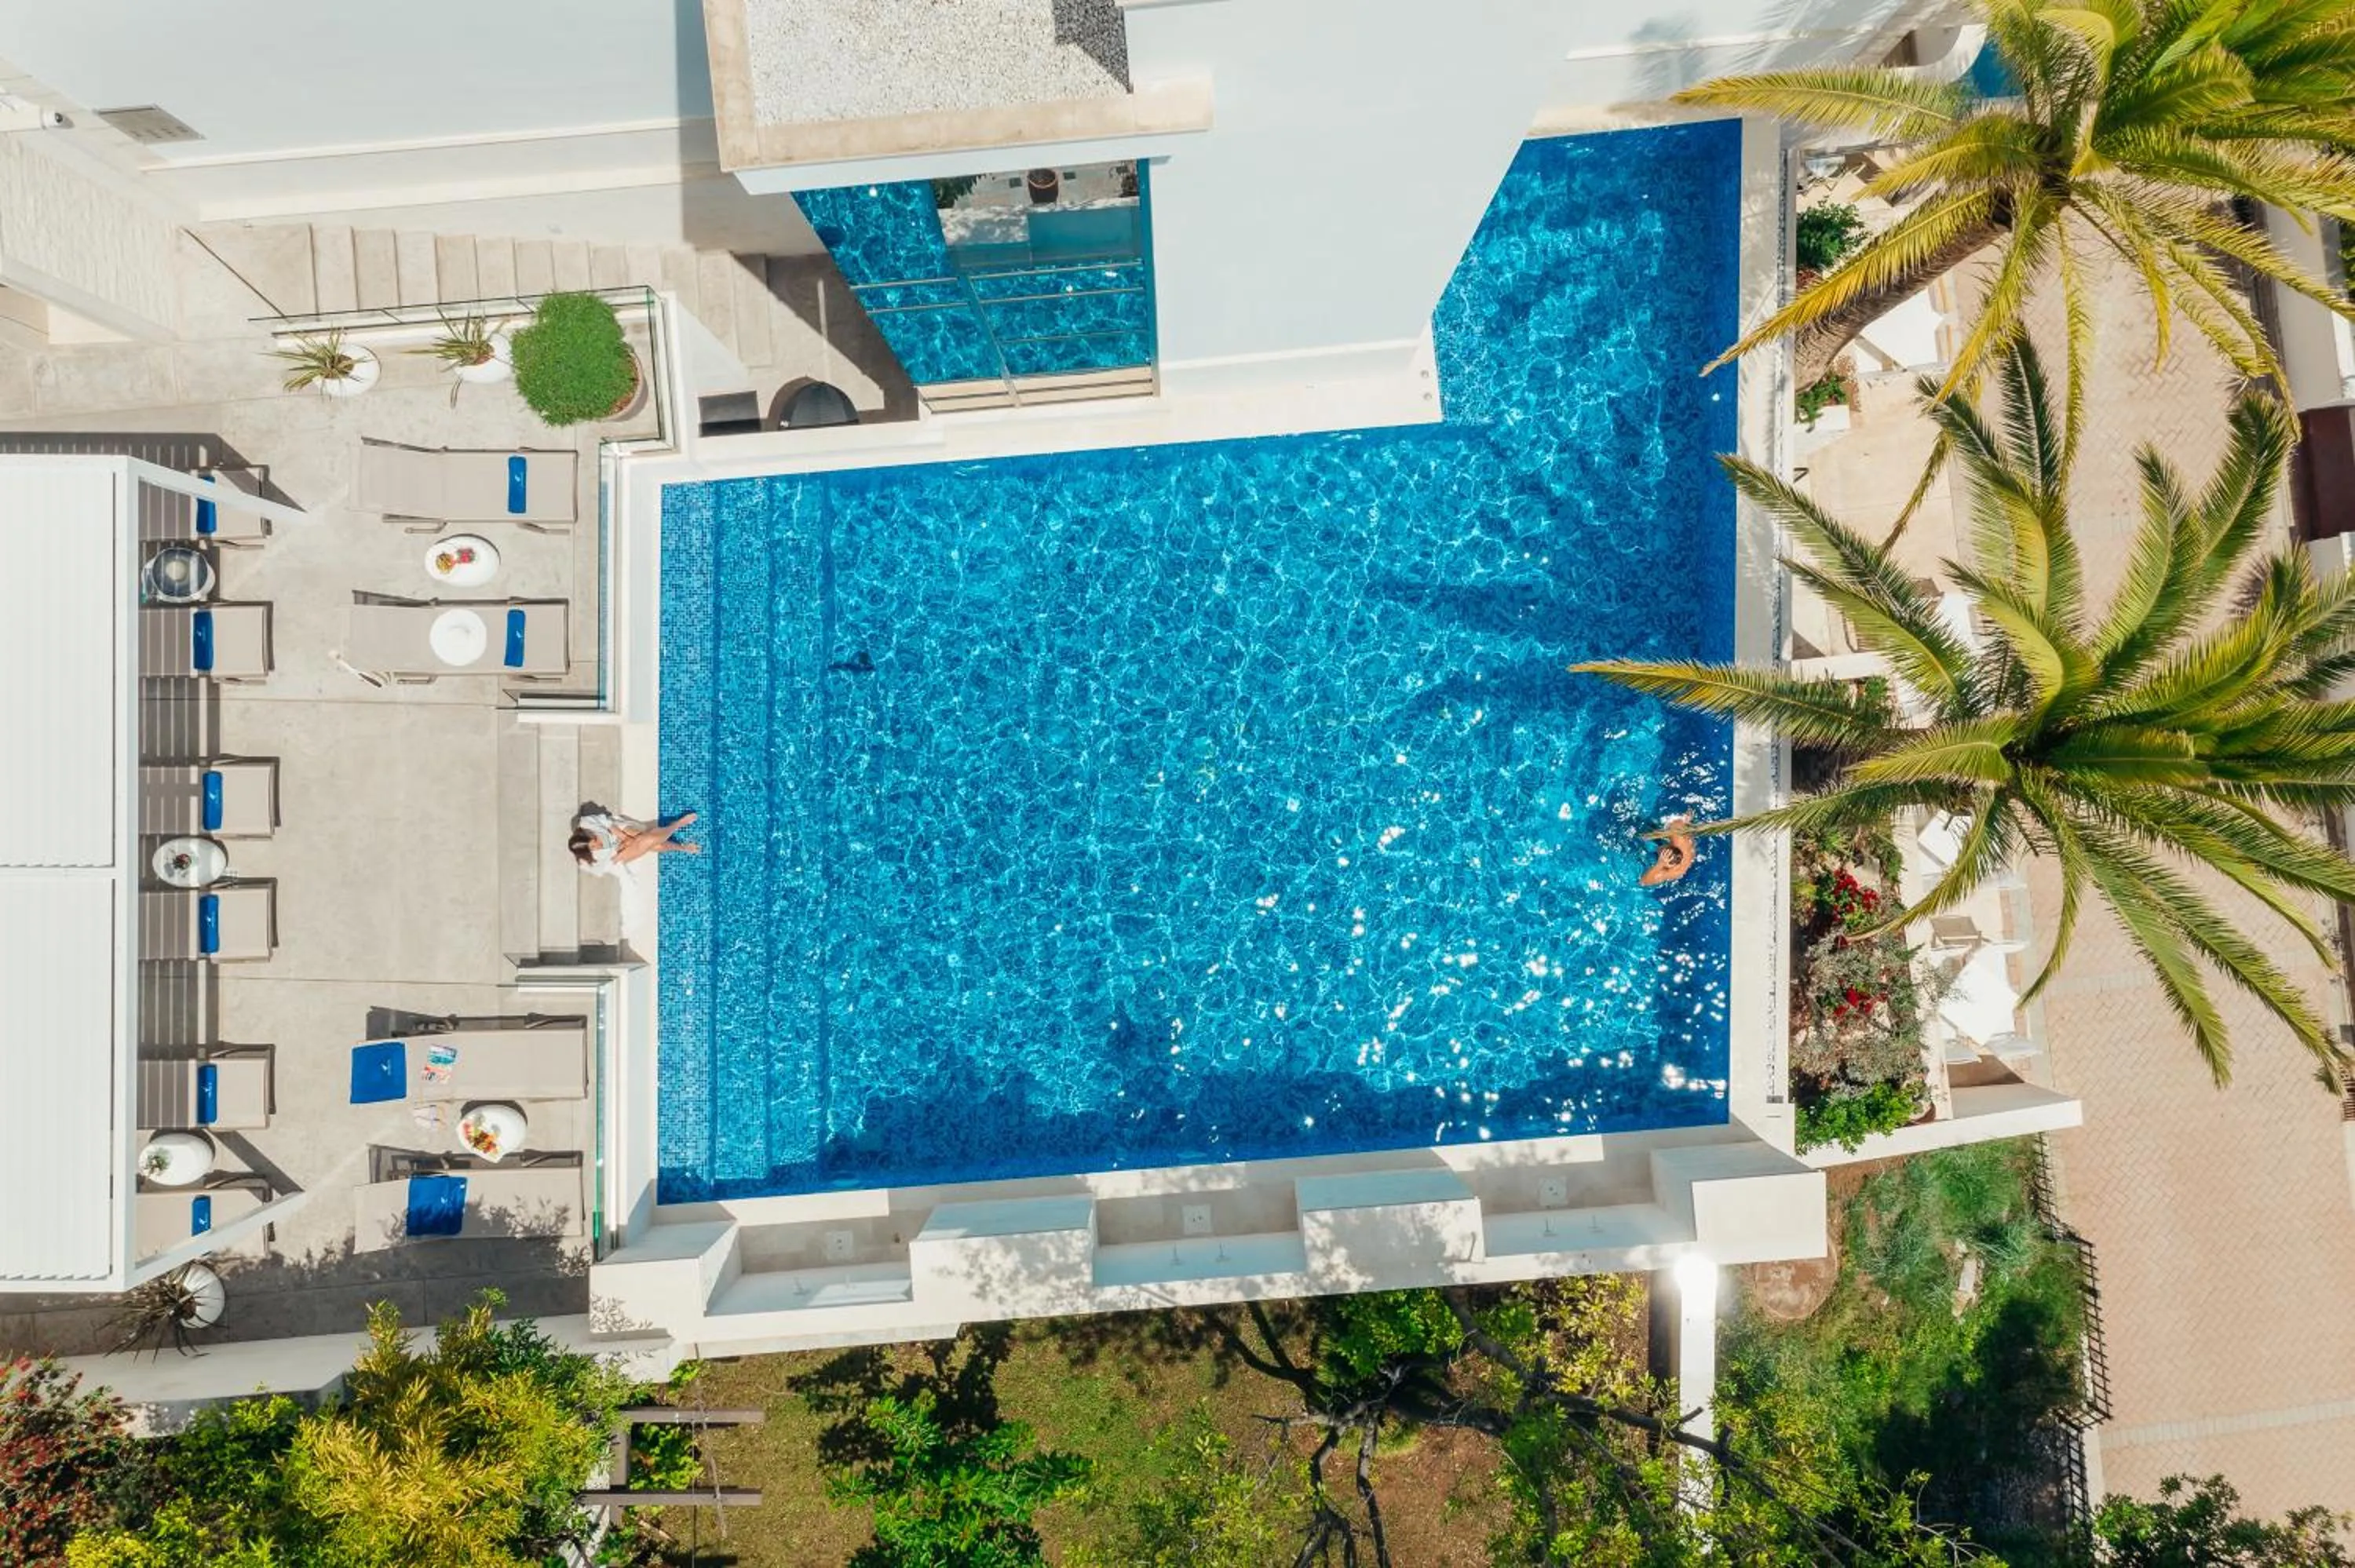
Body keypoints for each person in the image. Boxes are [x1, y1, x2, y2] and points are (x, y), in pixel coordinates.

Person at [571, 810, 699, 877]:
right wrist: (624, 846)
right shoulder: (591, 862)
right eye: (593, 848)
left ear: (587, 833)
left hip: (618, 831)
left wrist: (623, 836)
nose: (597, 845)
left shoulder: (586, 823)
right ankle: (677, 825)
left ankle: (683, 847)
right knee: (648, 840)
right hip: (620, 853)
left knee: (653, 844)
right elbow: (614, 860)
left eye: (594, 840)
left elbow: (608, 823)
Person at [1638, 814, 1697, 887]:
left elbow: (1643, 882)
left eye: (1661, 853)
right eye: (1663, 848)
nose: (1659, 849)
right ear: (1671, 845)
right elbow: (1680, 820)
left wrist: (1659, 865)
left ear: (1667, 866)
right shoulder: (1678, 839)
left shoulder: (1673, 872)